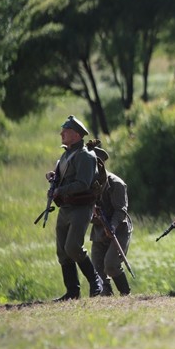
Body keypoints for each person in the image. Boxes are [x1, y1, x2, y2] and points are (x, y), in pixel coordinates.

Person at [47, 115, 104, 300]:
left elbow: (83, 183)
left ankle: (96, 281)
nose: (61, 133)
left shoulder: (85, 156)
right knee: (62, 251)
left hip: (81, 207)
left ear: (77, 135)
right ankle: (72, 292)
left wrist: (60, 190)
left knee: (73, 247)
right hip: (66, 207)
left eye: (66, 131)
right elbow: (66, 177)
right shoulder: (66, 155)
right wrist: (54, 180)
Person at [89, 145, 132, 296]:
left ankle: (125, 293)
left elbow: (121, 211)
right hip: (98, 230)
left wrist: (111, 226)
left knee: (111, 265)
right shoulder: (85, 184)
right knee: (96, 269)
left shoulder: (116, 184)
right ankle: (105, 295)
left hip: (118, 229)